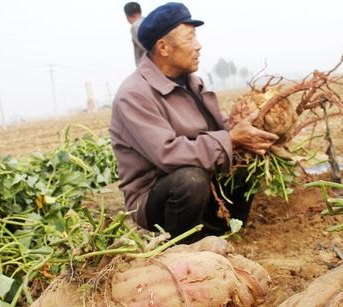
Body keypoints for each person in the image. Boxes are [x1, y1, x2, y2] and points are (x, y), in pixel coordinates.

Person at [110, 2, 278, 241]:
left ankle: (220, 231)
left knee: (248, 155)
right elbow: (168, 154)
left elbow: (215, 129)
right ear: (164, 47)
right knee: (190, 179)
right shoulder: (134, 95)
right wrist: (230, 139)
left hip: (201, 179)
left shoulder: (191, 82)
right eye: (190, 39)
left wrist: (238, 123)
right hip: (154, 195)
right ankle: (182, 246)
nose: (198, 46)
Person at [124, 2, 146, 66]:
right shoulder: (148, 22)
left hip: (147, 66)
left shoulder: (135, 27)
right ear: (140, 11)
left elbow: (145, 46)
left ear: (127, 15)